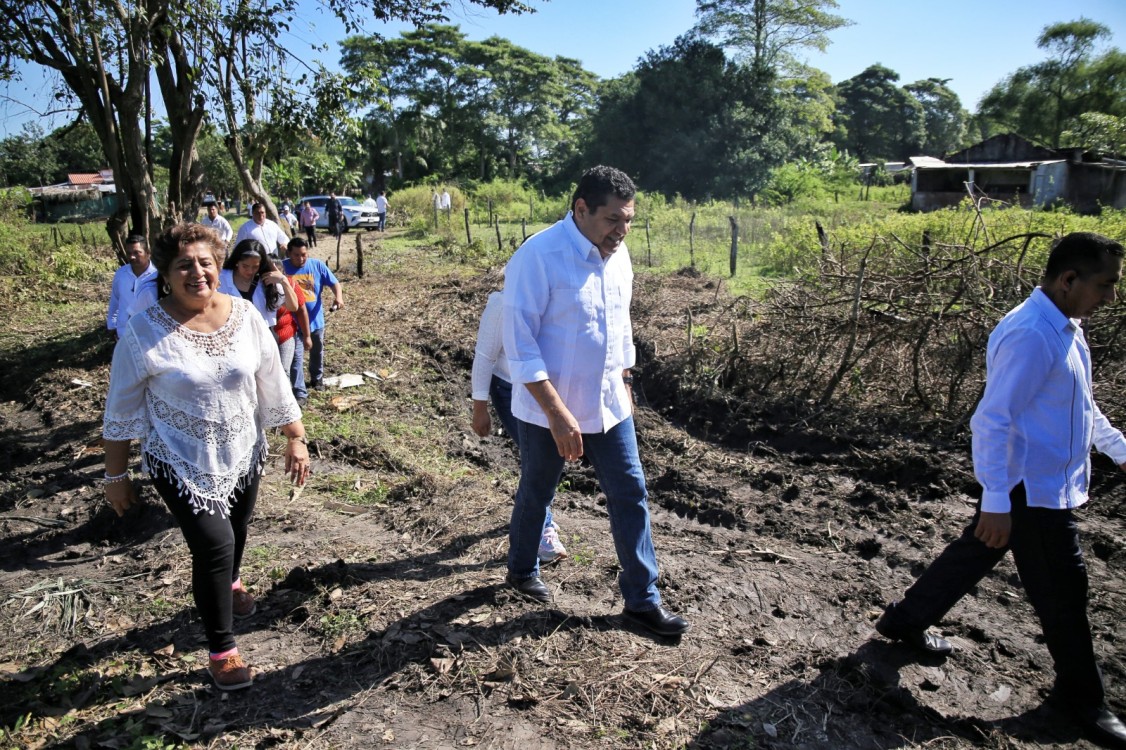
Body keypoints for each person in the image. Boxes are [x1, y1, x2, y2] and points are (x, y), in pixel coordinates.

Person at [875, 232, 1126, 749]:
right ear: (1068, 279)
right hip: (1029, 490)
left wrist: (1120, 449)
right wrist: (996, 501)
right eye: (1105, 285)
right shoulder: (1032, 334)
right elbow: (993, 420)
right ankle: (1083, 699)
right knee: (1065, 595)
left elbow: (1082, 407)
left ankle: (905, 621)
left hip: (1037, 487)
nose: (1111, 298)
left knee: (975, 553)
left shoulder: (1068, 328)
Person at [102, 222, 310, 691]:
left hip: (243, 447)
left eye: (205, 263)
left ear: (219, 266)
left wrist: (294, 436)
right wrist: (115, 476)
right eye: (184, 265)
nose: (197, 273)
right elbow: (119, 411)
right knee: (214, 544)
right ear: (166, 274)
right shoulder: (143, 333)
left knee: (236, 531)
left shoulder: (243, 315)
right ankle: (223, 650)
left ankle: (231, 584)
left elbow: (272, 379)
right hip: (179, 458)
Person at [501, 165, 689, 637]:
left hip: (608, 403)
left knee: (630, 492)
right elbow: (519, 344)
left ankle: (642, 600)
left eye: (628, 221)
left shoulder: (618, 256)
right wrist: (558, 414)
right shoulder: (538, 256)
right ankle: (522, 571)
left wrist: (624, 382)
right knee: (539, 489)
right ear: (581, 209)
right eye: (612, 220)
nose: (622, 232)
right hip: (549, 410)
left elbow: (619, 327)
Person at [471, 286, 567, 563]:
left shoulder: (556, 300)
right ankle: (541, 530)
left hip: (547, 392)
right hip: (511, 390)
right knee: (537, 460)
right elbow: (485, 356)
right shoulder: (504, 302)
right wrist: (480, 406)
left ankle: (534, 514)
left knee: (547, 459)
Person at [283, 236, 343, 392]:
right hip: (292, 323)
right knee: (296, 358)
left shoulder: (316, 265)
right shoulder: (282, 269)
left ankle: (317, 379)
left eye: (304, 254)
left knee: (317, 352)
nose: (301, 258)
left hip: (315, 321)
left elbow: (334, 282)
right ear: (289, 253)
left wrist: (338, 297)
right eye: (296, 255)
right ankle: (298, 390)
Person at [218, 239, 299, 331]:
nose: (250, 271)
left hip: (261, 336)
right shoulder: (221, 278)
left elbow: (293, 307)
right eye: (245, 266)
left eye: (255, 267)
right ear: (237, 262)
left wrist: (284, 281)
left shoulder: (266, 280)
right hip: (230, 335)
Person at [107, 234, 159, 340]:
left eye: (137, 253)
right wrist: (112, 325)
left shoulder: (158, 275)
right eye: (129, 253)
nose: (132, 257)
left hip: (151, 336)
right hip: (124, 334)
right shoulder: (121, 274)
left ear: (148, 253)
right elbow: (115, 301)